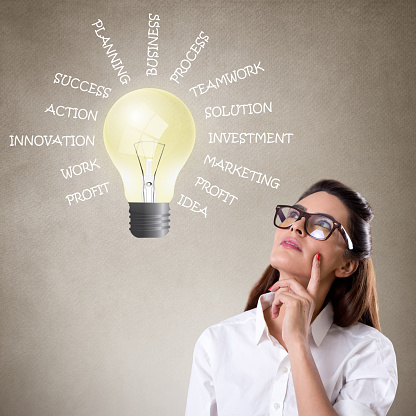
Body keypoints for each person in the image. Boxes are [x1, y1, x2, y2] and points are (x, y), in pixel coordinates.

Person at [185, 180, 397, 416]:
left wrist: (298, 342)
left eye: (322, 225)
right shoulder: (217, 341)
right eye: (294, 215)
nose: (296, 226)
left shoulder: (367, 350)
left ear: (346, 265)